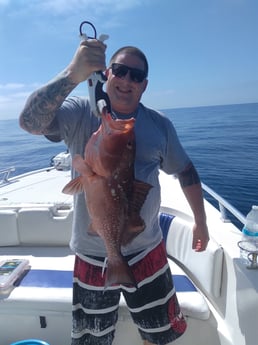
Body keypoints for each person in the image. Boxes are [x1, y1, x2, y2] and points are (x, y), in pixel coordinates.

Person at [19, 38, 209, 345]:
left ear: (144, 86)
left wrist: (201, 221)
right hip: (92, 254)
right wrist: (73, 74)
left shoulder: (159, 125)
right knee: (92, 340)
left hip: (148, 249)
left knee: (159, 335)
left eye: (136, 76)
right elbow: (29, 122)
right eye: (121, 71)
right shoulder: (80, 113)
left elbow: (185, 171)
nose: (127, 80)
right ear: (108, 73)